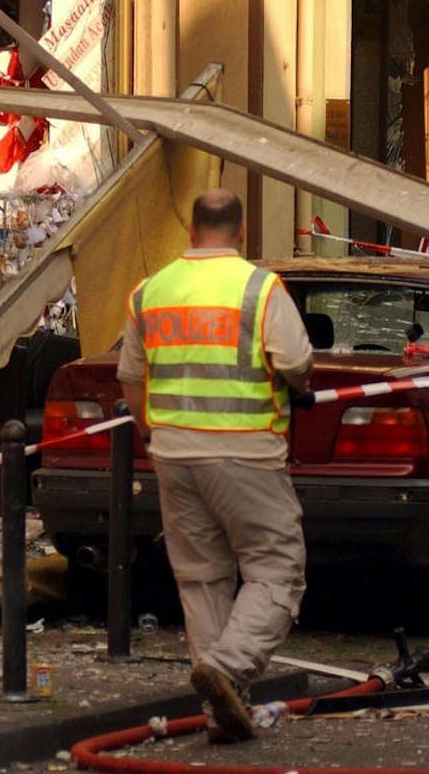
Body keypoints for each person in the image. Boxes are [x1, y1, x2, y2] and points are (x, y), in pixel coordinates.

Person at [118, 188, 313, 743]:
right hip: (245, 451)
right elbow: (297, 362)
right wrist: (298, 386)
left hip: (174, 456)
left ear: (190, 231)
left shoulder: (151, 291)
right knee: (277, 568)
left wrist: (153, 433)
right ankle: (228, 670)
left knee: (202, 577)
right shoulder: (258, 286)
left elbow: (131, 378)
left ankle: (221, 711)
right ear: (242, 231)